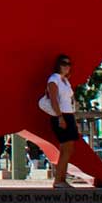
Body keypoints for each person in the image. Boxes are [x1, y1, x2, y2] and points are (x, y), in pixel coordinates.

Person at [38, 54, 79, 189]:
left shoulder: (65, 81)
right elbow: (54, 99)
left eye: (69, 64)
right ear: (58, 65)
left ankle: (62, 178)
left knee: (68, 149)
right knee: (65, 149)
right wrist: (60, 117)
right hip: (60, 116)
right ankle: (58, 180)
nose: (67, 67)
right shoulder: (53, 79)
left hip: (69, 114)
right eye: (64, 64)